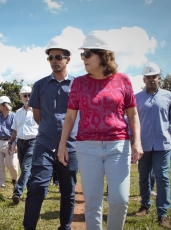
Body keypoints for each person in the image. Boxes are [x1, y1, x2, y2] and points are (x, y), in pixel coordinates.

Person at [57, 30, 143, 230]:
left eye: (87, 54)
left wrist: (137, 141)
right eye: (82, 54)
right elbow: (70, 116)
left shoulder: (123, 80)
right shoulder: (78, 83)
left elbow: (133, 115)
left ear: (103, 55)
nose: (83, 58)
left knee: (120, 201)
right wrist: (62, 144)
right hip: (87, 148)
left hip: (118, 146)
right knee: (93, 203)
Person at [23, 37, 78, 230]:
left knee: (68, 191)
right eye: (50, 57)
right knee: (36, 187)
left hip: (71, 146)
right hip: (45, 144)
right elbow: (37, 116)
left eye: (58, 56)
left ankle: (65, 227)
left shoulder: (78, 85)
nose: (54, 60)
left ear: (68, 59)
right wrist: (50, 131)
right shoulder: (39, 85)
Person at [134, 62, 171, 228]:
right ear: (144, 79)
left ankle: (162, 213)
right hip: (144, 145)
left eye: (154, 77)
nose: (151, 80)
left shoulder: (168, 96)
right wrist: (134, 142)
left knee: (162, 178)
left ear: (159, 78)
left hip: (163, 145)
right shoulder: (137, 98)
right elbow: (132, 121)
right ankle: (145, 205)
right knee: (143, 177)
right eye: (148, 77)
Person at [8, 86, 38, 204]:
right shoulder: (18, 113)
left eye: (29, 95)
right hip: (20, 143)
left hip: (33, 142)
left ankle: (17, 192)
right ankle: (31, 194)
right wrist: (11, 142)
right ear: (21, 97)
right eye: (25, 95)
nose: (27, 97)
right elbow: (15, 130)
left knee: (26, 168)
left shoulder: (37, 110)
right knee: (26, 170)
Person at [0, 96, 18, 188]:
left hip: (10, 142)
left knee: (11, 164)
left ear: (4, 106)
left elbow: (17, 130)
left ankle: (14, 179)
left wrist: (16, 143)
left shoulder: (14, 116)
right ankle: (1, 184)